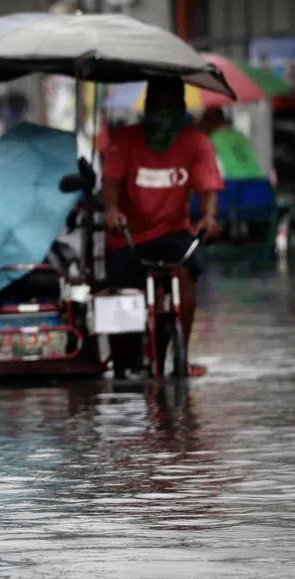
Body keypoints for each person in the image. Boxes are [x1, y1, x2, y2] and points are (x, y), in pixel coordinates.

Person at [102, 77, 223, 379]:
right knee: (120, 292)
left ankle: (182, 352)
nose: (164, 114)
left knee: (186, 272)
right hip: (127, 236)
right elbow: (110, 182)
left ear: (181, 109)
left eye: (171, 106)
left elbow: (208, 189)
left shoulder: (196, 143)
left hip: (172, 233)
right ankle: (125, 355)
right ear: (147, 107)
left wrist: (208, 218)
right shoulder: (124, 141)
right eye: (158, 105)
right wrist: (112, 211)